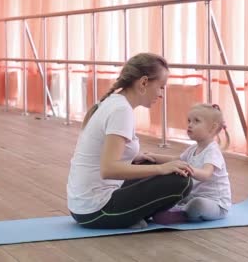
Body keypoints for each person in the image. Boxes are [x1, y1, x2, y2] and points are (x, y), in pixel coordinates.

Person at [67, 52, 193, 229]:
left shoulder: (114, 102)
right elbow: (108, 169)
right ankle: (130, 217)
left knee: (172, 171)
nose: (161, 94)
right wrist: (161, 168)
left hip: (83, 208)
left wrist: (136, 157)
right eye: (160, 87)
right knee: (181, 182)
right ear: (143, 82)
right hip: (96, 211)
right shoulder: (121, 111)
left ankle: (133, 215)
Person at [144, 103, 232, 223]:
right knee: (172, 195)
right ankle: (168, 210)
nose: (190, 125)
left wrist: (188, 168)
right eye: (189, 121)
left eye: (196, 121)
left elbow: (206, 174)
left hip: (215, 204)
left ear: (212, 128)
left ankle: (183, 215)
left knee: (197, 204)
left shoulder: (212, 151)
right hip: (193, 196)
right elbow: (174, 160)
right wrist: (152, 156)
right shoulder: (192, 149)